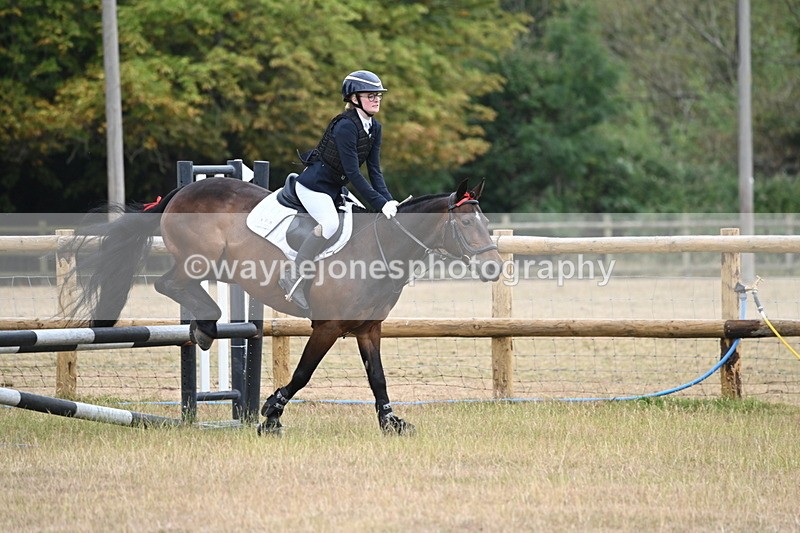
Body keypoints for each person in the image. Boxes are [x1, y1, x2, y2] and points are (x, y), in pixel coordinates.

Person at [280, 69, 399, 311]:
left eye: (378, 95)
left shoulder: (374, 128)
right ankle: (293, 274)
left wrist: (389, 201)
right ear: (354, 98)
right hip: (313, 186)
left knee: (362, 219)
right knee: (330, 224)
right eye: (370, 95)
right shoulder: (345, 126)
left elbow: (374, 170)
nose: (377, 99)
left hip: (334, 188)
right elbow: (354, 172)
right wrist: (379, 203)